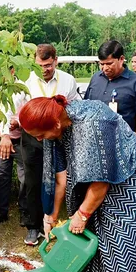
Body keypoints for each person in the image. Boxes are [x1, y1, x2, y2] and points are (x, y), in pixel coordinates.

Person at [19, 95, 136, 272]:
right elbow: (61, 179)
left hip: (132, 178)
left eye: (40, 135)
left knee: (120, 243)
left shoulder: (93, 123)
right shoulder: (56, 128)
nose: (40, 141)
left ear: (56, 124)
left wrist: (81, 215)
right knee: (95, 237)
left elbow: (101, 183)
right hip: (98, 184)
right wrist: (50, 215)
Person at [21, 43, 79, 245]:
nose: (44, 69)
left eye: (48, 65)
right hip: (33, 137)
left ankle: (62, 219)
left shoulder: (68, 80)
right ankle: (33, 226)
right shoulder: (25, 79)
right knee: (33, 180)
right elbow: (16, 108)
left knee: (61, 177)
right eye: (40, 65)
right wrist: (4, 132)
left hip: (57, 134)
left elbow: (74, 106)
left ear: (55, 60)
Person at [0, 73, 27, 226]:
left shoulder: (21, 88)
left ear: (13, 70)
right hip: (1, 142)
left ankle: (24, 212)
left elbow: (28, 112)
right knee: (3, 176)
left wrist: (18, 123)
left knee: (24, 178)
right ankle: (2, 212)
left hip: (20, 140)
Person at [85, 41, 136, 141]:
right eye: (101, 64)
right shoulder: (96, 78)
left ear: (121, 59)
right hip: (95, 143)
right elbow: (86, 109)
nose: (105, 68)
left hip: (123, 144)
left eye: (109, 63)